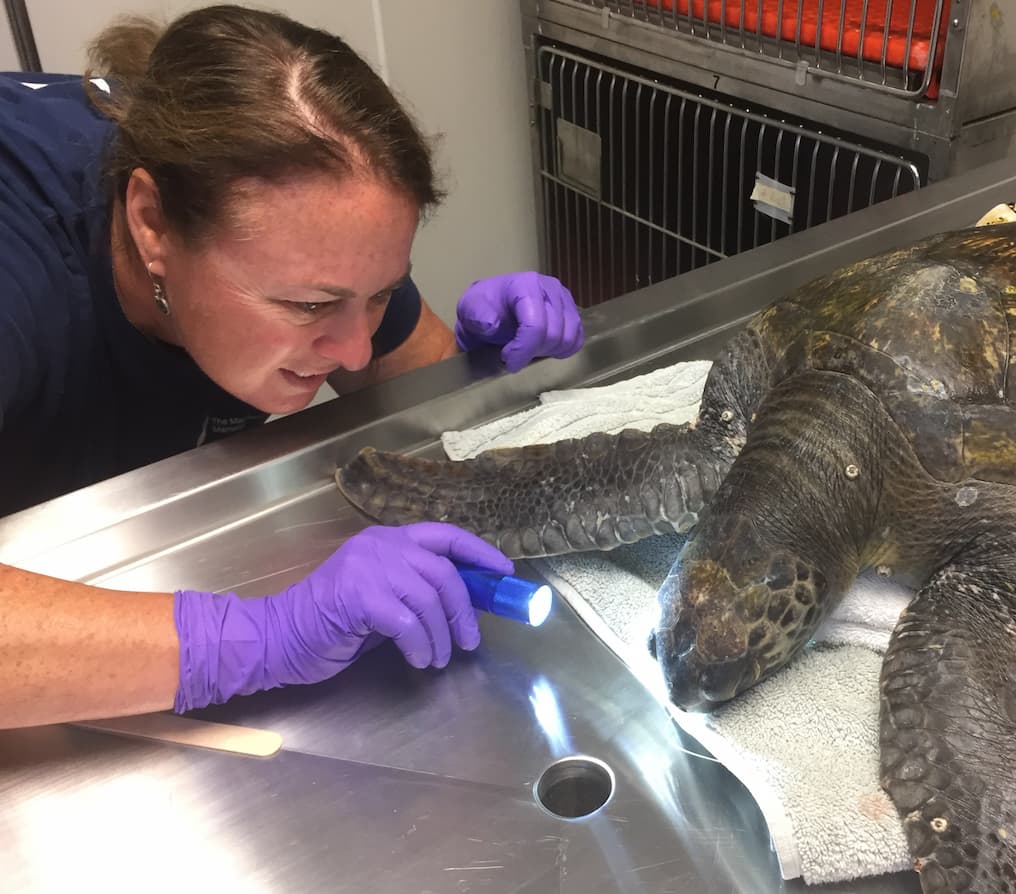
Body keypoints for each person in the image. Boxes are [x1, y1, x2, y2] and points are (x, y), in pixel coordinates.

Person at [0, 5, 583, 730]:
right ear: (151, 223)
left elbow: (407, 376)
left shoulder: (312, 239)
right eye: (308, 306)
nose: (355, 349)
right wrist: (254, 642)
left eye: (378, 296)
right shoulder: (20, 271)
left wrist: (479, 365)